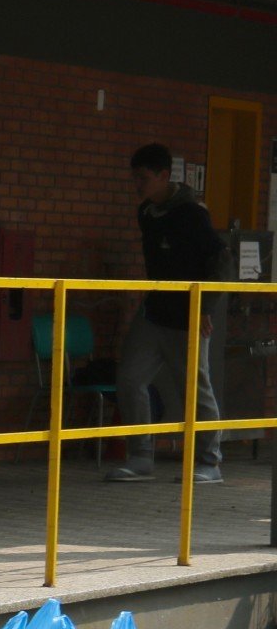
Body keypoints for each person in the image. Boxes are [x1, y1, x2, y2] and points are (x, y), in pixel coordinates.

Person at [107, 142, 226, 484]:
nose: (138, 185)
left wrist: (204, 307)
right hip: (154, 311)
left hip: (187, 315)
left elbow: (221, 260)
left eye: (143, 178)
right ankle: (141, 456)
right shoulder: (146, 212)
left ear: (164, 175)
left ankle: (209, 461)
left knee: (193, 387)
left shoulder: (193, 215)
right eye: (135, 178)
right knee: (130, 378)